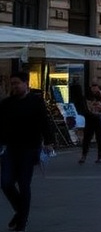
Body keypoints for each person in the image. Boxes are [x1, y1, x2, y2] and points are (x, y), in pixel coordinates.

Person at [0, 71, 56, 231]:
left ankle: (22, 221)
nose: (14, 86)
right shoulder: (6, 103)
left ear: (26, 83)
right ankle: (21, 212)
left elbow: (45, 122)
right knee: (6, 183)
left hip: (30, 148)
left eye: (17, 83)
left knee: (24, 184)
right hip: (10, 148)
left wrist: (49, 141)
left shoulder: (36, 101)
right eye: (12, 83)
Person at [79, 81, 101, 164]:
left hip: (98, 119)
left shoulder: (100, 97)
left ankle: (100, 156)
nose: (94, 89)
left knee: (99, 139)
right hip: (90, 120)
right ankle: (84, 155)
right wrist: (89, 113)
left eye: (96, 88)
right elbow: (83, 108)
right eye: (93, 88)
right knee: (87, 139)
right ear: (90, 89)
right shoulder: (86, 97)